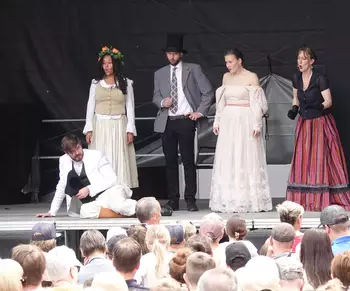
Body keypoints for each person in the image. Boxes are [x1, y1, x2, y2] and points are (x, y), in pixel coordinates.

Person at [285, 47, 350, 211]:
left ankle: (321, 200)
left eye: (303, 59)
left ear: (311, 61)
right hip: (304, 123)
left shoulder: (319, 79)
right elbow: (295, 97)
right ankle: (304, 199)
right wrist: (294, 108)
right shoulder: (296, 78)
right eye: (298, 58)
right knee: (303, 160)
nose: (300, 62)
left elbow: (328, 101)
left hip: (319, 123)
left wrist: (319, 106)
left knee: (320, 159)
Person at [153, 34, 214, 214]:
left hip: (185, 120)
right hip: (167, 121)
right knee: (170, 162)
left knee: (188, 161)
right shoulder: (159, 73)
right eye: (169, 54)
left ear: (181, 54)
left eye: (174, 53)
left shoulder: (193, 69)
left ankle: (190, 199)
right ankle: (173, 199)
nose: (171, 57)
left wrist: (199, 112)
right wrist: (162, 102)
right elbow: (155, 96)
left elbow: (208, 92)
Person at [209, 48, 271, 213]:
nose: (228, 65)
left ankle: (248, 199)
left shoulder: (251, 77)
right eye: (226, 62)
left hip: (245, 120)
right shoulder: (226, 77)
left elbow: (257, 103)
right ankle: (230, 198)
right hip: (229, 121)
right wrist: (217, 120)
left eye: (230, 61)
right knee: (229, 156)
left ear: (239, 61)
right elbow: (221, 102)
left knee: (246, 156)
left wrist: (257, 124)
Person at [36, 134, 136, 218]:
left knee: (119, 206)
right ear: (66, 153)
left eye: (78, 148)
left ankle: (143, 208)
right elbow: (62, 186)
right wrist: (52, 211)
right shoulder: (63, 161)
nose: (77, 153)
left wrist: (89, 189)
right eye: (72, 152)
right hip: (96, 200)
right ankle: (121, 216)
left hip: (110, 191)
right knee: (84, 211)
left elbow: (112, 179)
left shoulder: (96, 155)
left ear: (80, 144)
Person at [84, 46, 138, 189]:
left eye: (109, 63)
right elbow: (90, 105)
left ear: (115, 64)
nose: (106, 66)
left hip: (118, 124)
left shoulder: (126, 83)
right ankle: (101, 190)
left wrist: (130, 129)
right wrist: (89, 128)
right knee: (102, 156)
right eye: (104, 63)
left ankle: (119, 189)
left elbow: (130, 106)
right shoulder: (96, 83)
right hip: (100, 125)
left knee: (118, 156)